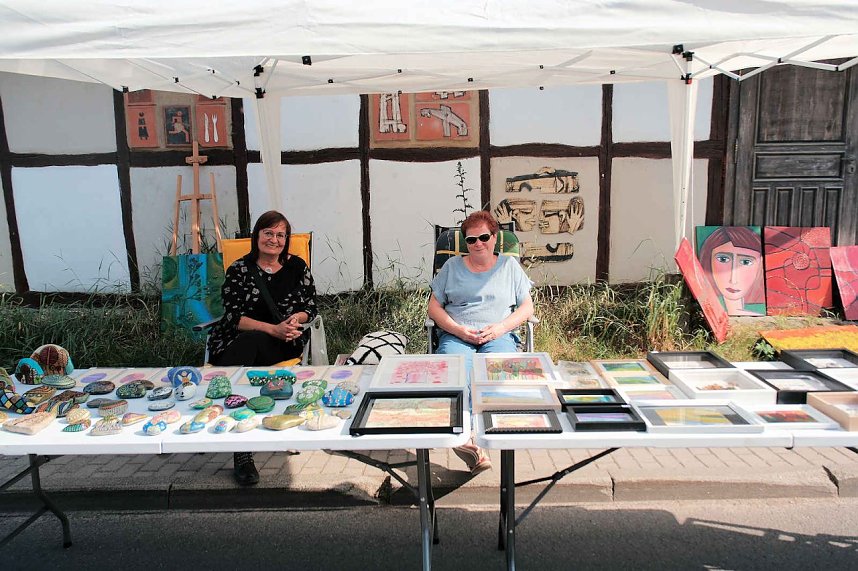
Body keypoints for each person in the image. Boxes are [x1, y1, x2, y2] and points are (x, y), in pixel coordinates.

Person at [208, 210, 318, 485]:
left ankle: (222, 410)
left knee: (241, 364)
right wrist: (272, 328)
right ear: (257, 236)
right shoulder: (240, 270)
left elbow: (311, 307)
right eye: (268, 233)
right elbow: (234, 317)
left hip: (285, 344)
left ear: (287, 240)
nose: (275, 240)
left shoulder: (297, 267)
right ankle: (242, 450)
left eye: (281, 235)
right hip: (241, 339)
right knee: (251, 343)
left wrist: (295, 320)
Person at [428, 210, 534, 474]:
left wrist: (500, 328)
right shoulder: (452, 268)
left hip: (497, 334)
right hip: (458, 335)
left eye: (484, 237)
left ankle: (475, 435)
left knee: (495, 374)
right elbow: (433, 308)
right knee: (456, 375)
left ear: (495, 238)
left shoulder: (509, 267)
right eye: (471, 240)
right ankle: (471, 440)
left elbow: (527, 308)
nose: (478, 244)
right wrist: (457, 330)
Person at [698, 227, 765, 316]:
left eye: (746, 262)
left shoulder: (762, 308)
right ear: (708, 260)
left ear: (760, 266)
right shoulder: (706, 307)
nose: (733, 279)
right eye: (723, 259)